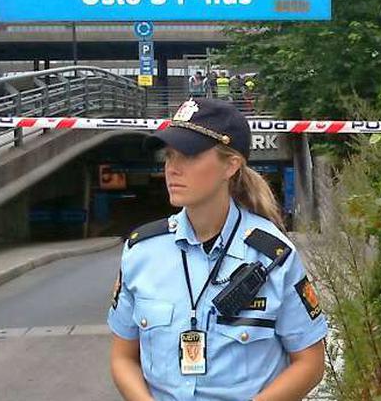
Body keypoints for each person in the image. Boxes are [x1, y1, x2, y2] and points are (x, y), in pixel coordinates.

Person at [108, 98, 328, 401]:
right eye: (170, 155)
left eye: (188, 155)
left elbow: (310, 363)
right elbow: (123, 357)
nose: (172, 168)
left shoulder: (272, 256)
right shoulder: (141, 251)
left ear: (231, 165)